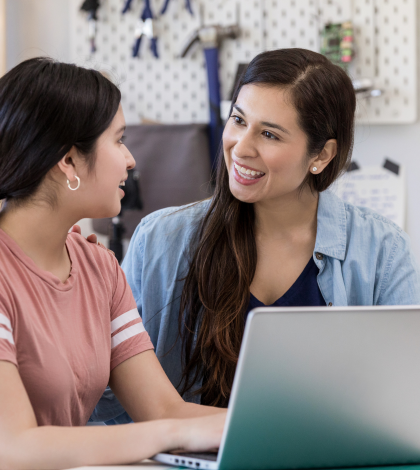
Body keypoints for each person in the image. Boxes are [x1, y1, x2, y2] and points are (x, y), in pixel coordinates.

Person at [81, 48, 420, 421]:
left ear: (321, 155)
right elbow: (108, 400)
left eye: (270, 135)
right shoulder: (160, 239)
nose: (241, 147)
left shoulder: (383, 252)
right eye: (238, 120)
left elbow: (405, 400)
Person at [0, 57, 226, 470]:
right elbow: (11, 447)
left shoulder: (99, 269)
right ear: (68, 161)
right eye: (119, 140)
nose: (131, 160)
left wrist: (304, 429)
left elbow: (163, 410)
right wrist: (172, 435)